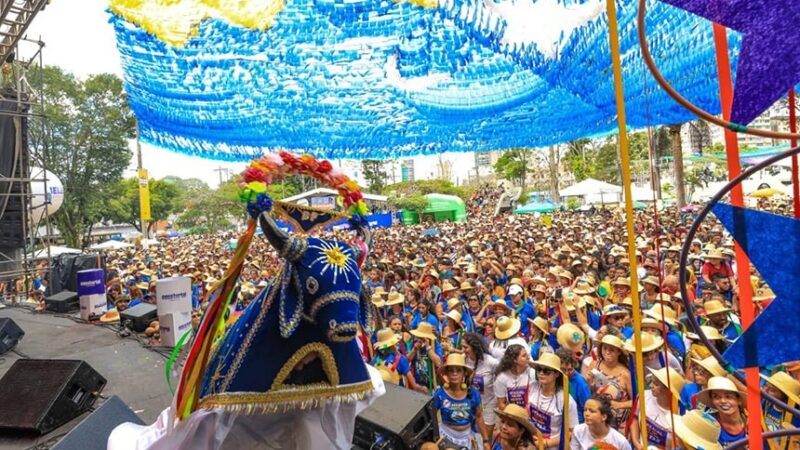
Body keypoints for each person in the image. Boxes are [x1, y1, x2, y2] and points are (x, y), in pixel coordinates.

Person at [432, 353, 487, 449]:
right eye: (451, 370)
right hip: (446, 438)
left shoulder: (473, 393)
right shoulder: (439, 395)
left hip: (468, 438)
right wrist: (435, 439)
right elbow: (432, 418)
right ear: (446, 373)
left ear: (464, 373)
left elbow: (479, 416)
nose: (454, 373)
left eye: (458, 370)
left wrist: (486, 441)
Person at [526, 352, 578, 450]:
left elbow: (571, 432)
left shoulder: (566, 401)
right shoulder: (532, 387)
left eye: (546, 371)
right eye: (539, 369)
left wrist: (546, 443)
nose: (541, 373)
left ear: (556, 374)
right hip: (530, 443)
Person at [630, 367, 685, 449]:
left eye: (656, 384)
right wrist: (636, 442)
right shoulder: (644, 396)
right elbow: (634, 418)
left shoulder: (680, 417)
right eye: (652, 382)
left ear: (668, 391)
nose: (651, 386)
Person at [588, 334, 632, 432]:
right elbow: (586, 392)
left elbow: (636, 402)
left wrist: (618, 405)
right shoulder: (594, 365)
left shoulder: (625, 374)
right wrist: (588, 381)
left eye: (611, 349)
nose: (607, 352)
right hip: (595, 420)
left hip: (617, 425)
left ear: (619, 352)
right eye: (605, 348)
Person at [464, 332, 499, 438]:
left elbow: (503, 377)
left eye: (466, 347)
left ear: (474, 347)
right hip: (470, 404)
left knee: (485, 439)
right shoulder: (463, 360)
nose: (463, 350)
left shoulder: (491, 362)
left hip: (488, 405)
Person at [695, 376, 747, 446]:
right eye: (716, 397)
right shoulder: (708, 424)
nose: (723, 401)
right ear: (712, 401)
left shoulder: (752, 422)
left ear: (739, 400)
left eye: (728, 396)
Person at [494, 344, 535, 410]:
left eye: (527, 355)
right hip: (510, 416)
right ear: (514, 360)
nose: (528, 357)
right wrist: (516, 415)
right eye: (524, 356)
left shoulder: (532, 373)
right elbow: (501, 404)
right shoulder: (502, 377)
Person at [556, 348, 591, 423]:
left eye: (570, 369)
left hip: (575, 421)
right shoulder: (555, 376)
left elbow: (588, 408)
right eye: (563, 370)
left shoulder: (581, 383)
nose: (566, 373)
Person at [407, 322, 443, 393]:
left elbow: (438, 363)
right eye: (419, 336)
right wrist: (414, 350)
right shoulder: (413, 343)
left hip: (433, 385)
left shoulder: (435, 344)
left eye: (423, 337)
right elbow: (407, 361)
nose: (420, 339)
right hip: (418, 385)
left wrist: (428, 347)